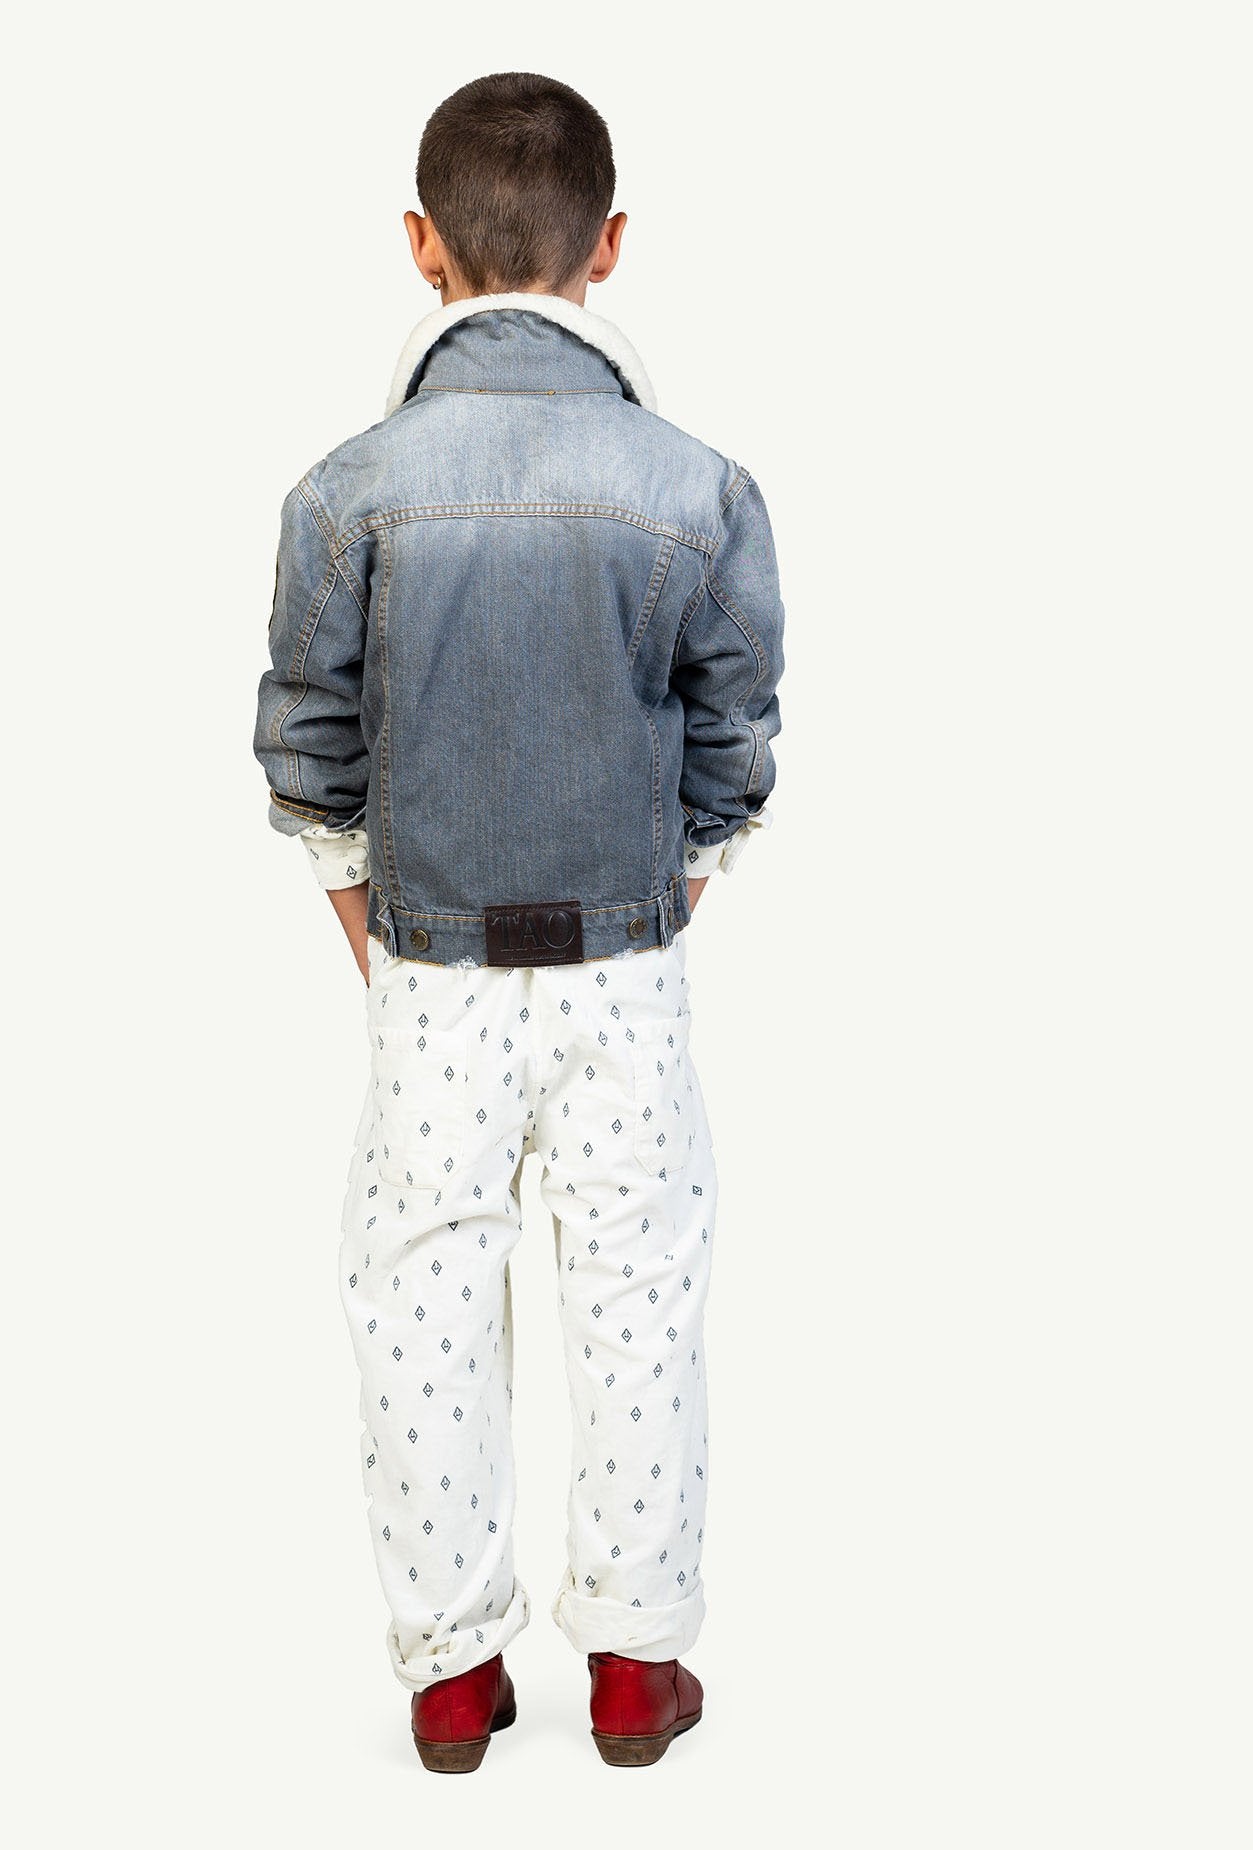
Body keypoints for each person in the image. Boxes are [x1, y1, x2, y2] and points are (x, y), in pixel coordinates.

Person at [251, 71, 786, 1771]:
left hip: (430, 975)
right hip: (625, 968)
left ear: (421, 246)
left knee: (418, 1297)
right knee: (637, 1291)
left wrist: (368, 919)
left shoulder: (345, 491)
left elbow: (305, 744)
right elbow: (735, 730)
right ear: (606, 244)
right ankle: (633, 1668)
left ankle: (449, 1676)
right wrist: (672, 885)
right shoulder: (697, 486)